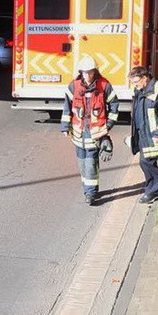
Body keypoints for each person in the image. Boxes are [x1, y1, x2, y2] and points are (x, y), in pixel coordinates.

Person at [61, 56, 118, 206]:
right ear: (81, 72)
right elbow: (67, 107)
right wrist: (65, 126)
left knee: (91, 162)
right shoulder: (73, 86)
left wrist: (109, 125)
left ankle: (90, 193)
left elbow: (114, 105)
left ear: (95, 71)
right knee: (82, 163)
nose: (88, 75)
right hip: (78, 132)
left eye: (91, 72)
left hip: (95, 132)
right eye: (85, 72)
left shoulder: (104, 85)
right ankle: (90, 188)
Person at [127, 66, 158, 204]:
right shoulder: (140, 89)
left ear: (145, 78)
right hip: (143, 133)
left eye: (136, 82)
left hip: (153, 135)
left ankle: (153, 191)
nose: (135, 85)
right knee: (146, 161)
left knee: (146, 162)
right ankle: (157, 190)